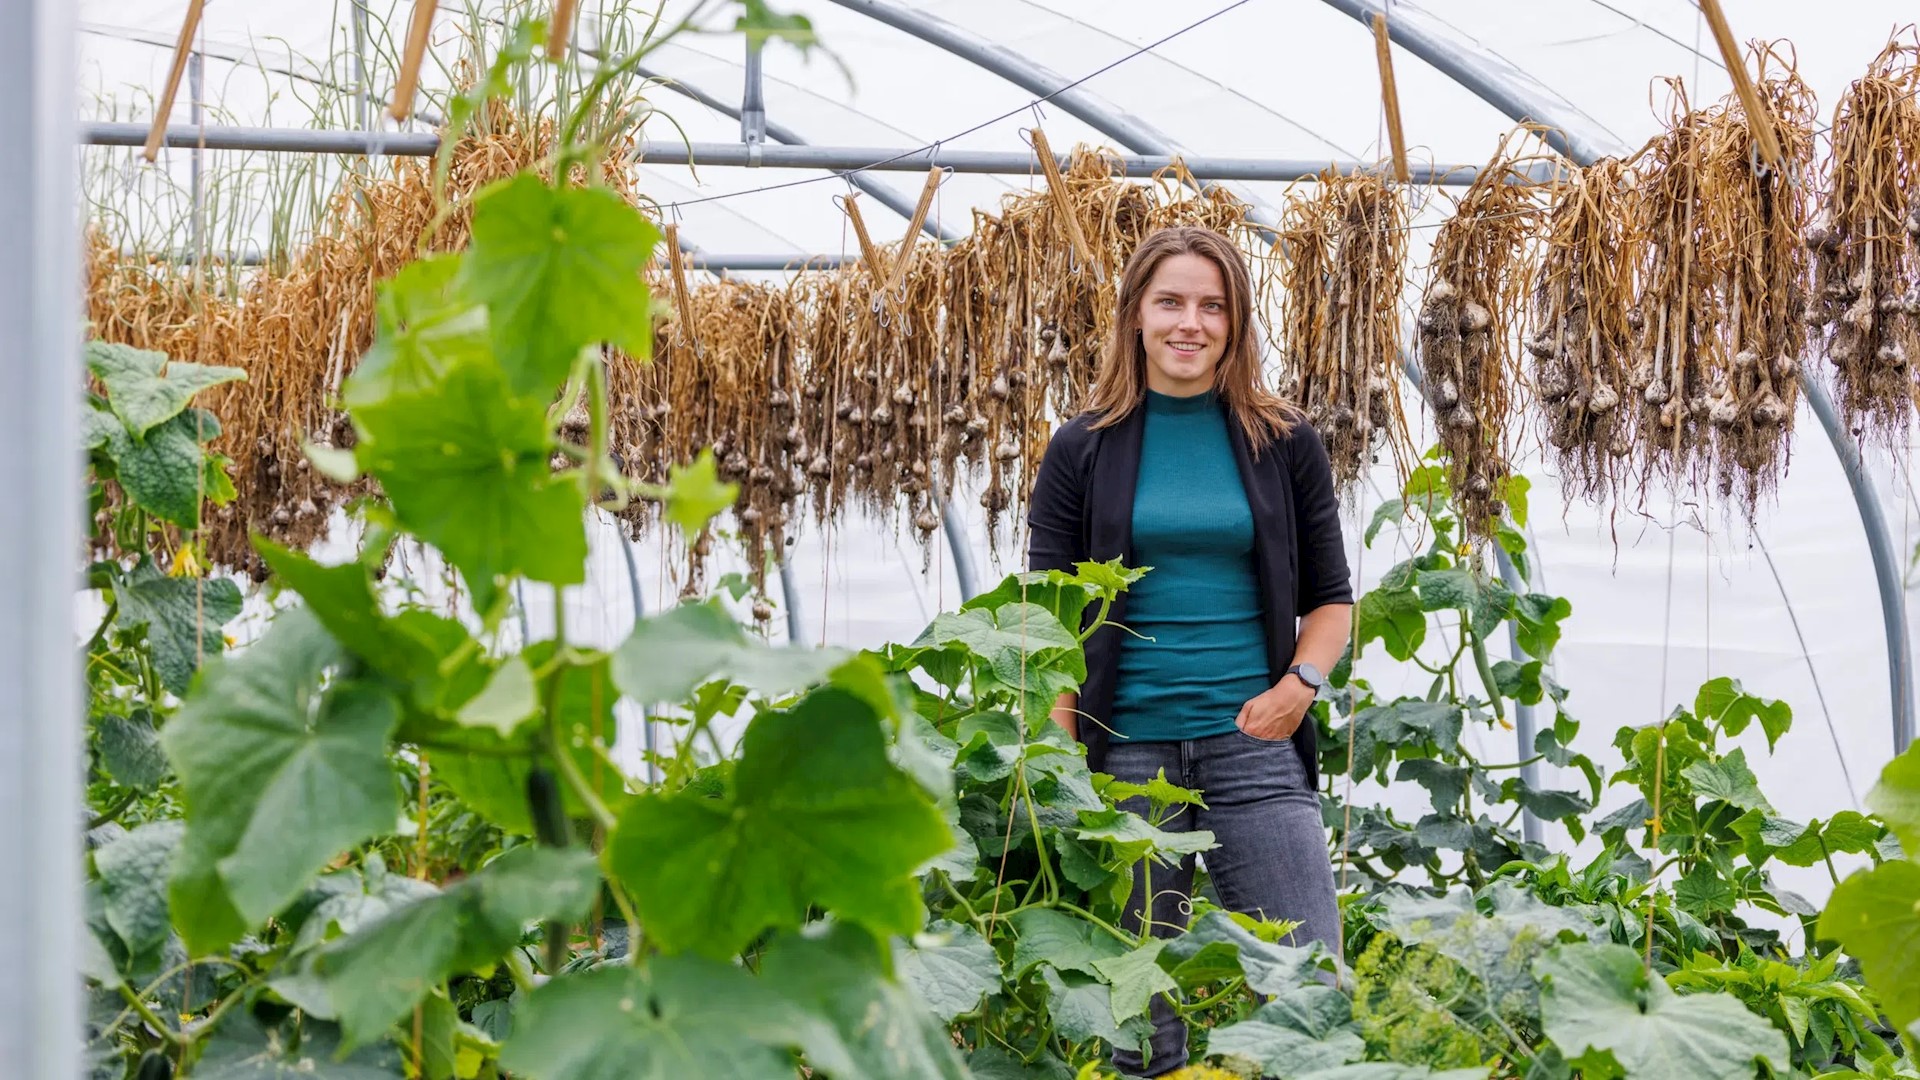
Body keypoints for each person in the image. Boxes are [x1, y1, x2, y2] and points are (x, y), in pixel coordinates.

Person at [1025, 225, 1355, 1077]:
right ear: (1136, 313)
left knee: (1306, 992)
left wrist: (1300, 686)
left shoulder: (1282, 443)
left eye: (1212, 306)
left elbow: (1331, 601)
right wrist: (1067, 759)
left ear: (1236, 323)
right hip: (1126, 756)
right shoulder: (1081, 448)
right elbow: (1050, 620)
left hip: (1255, 749)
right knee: (1138, 1022)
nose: (1190, 323)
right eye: (1171, 302)